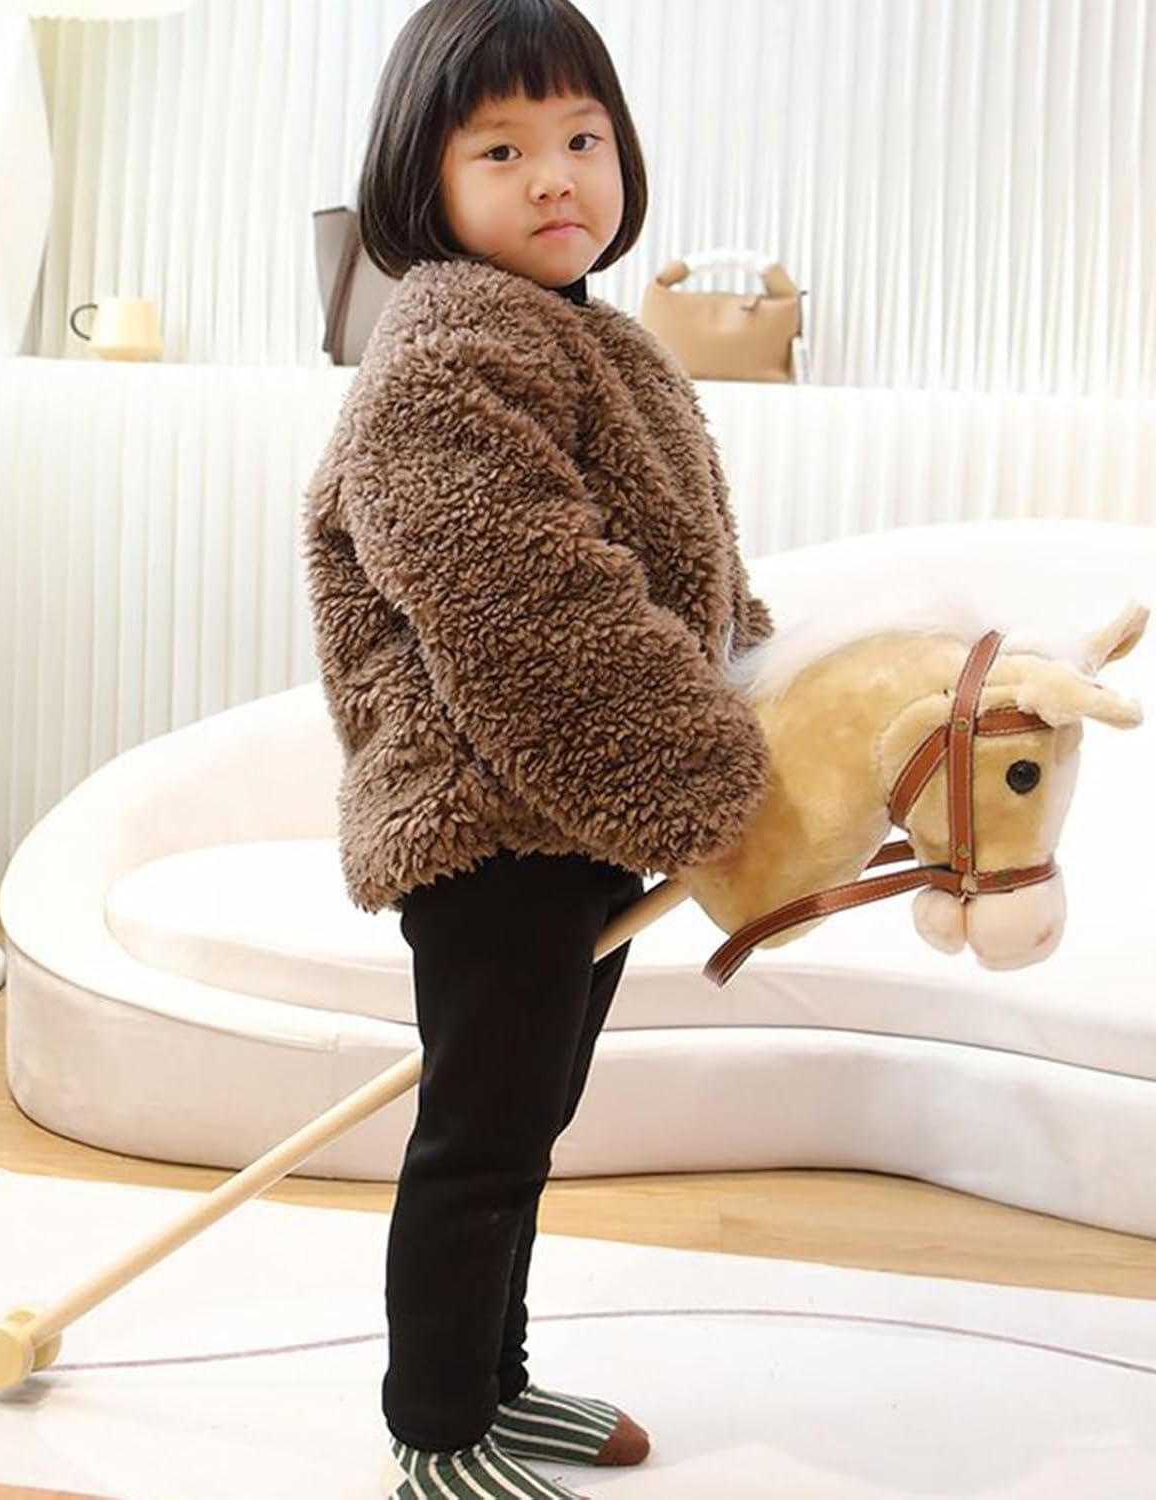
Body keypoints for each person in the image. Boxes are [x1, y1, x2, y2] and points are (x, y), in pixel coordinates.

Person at [302, 1, 775, 1493]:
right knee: (481, 1135)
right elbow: (524, 604)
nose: (556, 175)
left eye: (582, 137)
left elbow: (679, 559)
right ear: (423, 181)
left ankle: (495, 1388)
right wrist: (713, 779)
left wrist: (761, 678)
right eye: (501, 150)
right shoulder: (445, 353)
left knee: (530, 1119)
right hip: (491, 813)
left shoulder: (597, 339)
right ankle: (439, 1432)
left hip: (582, 811)